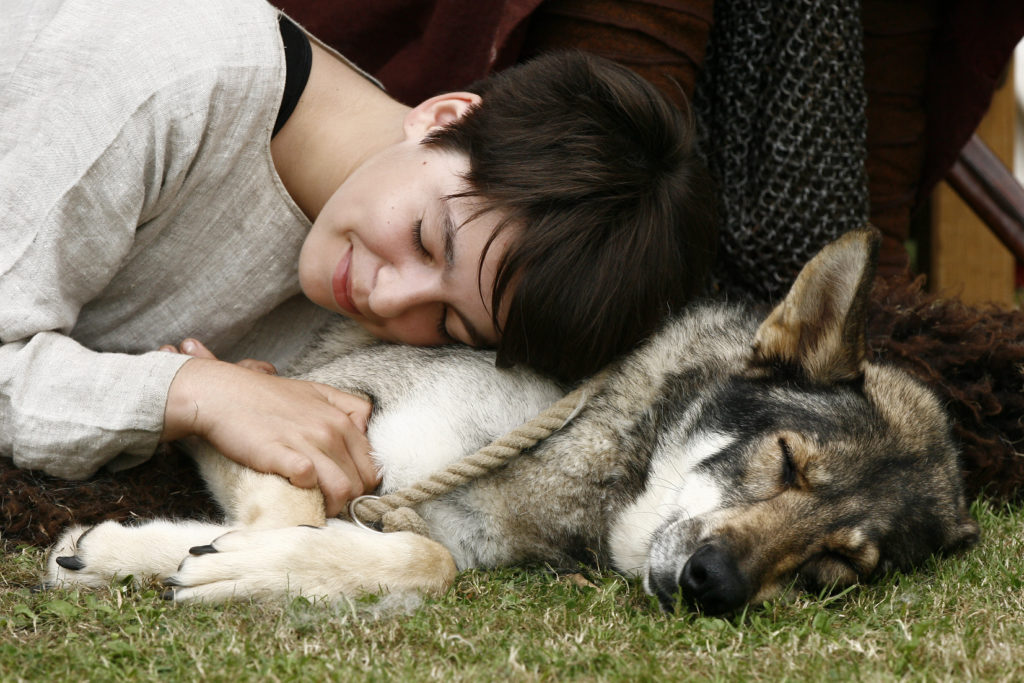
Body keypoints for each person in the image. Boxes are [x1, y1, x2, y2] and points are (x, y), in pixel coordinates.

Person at [0, 0, 717, 517]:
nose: (388, 297)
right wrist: (192, 392)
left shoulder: (363, 311)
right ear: (445, 117)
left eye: (449, 321)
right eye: (426, 239)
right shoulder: (164, 78)